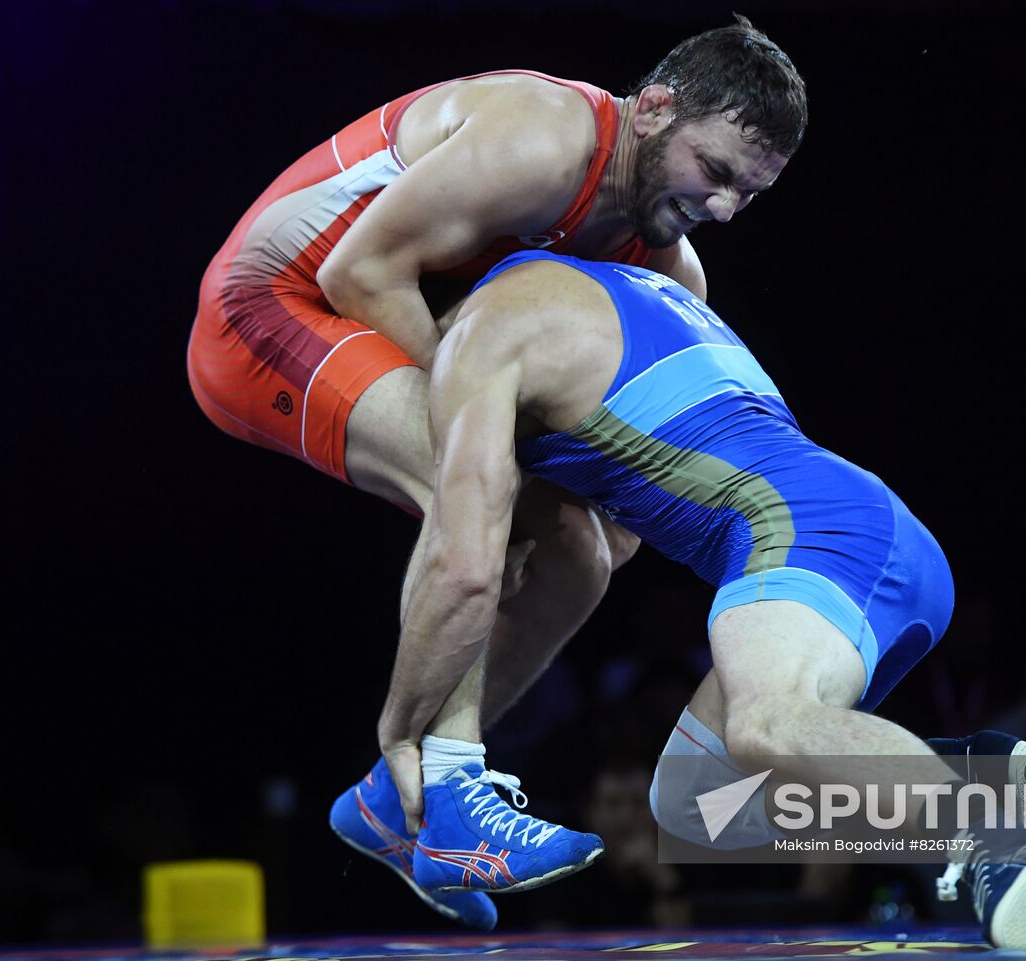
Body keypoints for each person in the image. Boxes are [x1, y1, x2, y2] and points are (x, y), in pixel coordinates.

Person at [187, 17, 808, 930]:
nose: (720, 208)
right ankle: (447, 783)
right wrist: (496, 452)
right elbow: (364, 272)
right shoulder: (543, 138)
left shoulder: (674, 272)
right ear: (655, 110)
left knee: (584, 557)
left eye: (746, 195)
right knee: (478, 483)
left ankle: (394, 802)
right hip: (275, 303)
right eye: (713, 172)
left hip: (376, 320)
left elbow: (624, 513)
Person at [380, 250, 1026, 949]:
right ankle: (961, 767)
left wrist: (401, 731)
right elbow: (620, 533)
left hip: (814, 533)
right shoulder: (623, 301)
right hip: (862, 528)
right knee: (696, 807)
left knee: (762, 724)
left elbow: (466, 560)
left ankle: (997, 834)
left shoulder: (492, 328)